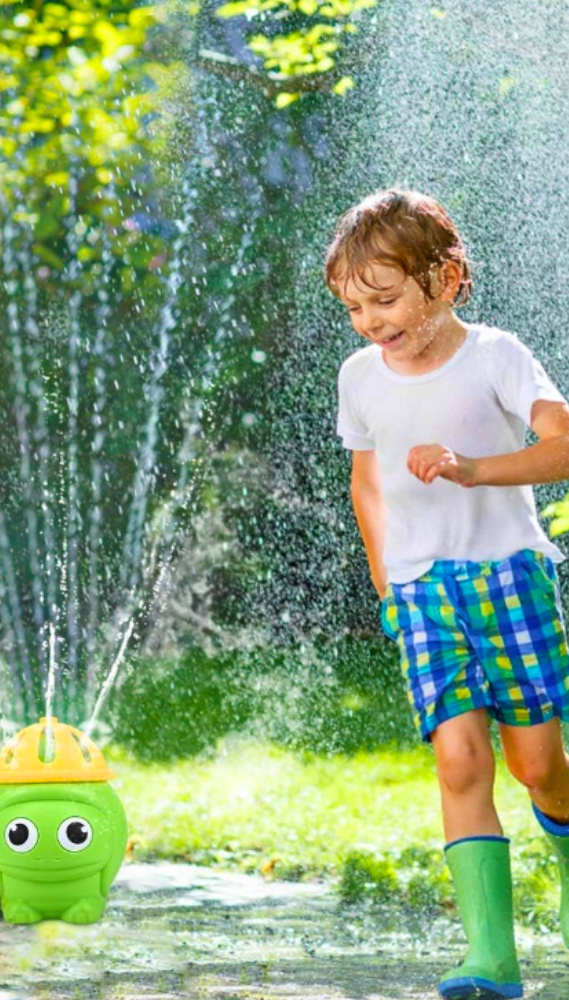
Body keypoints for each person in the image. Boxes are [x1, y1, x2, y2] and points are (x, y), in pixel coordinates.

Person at [330, 190, 569, 1000]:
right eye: (354, 305)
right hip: (423, 589)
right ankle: (491, 960)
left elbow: (561, 447)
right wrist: (384, 574)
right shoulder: (360, 376)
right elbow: (367, 481)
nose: (370, 319)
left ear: (448, 279)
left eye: (386, 298)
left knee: (538, 767)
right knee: (460, 759)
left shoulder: (497, 357)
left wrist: (474, 469)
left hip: (509, 575)